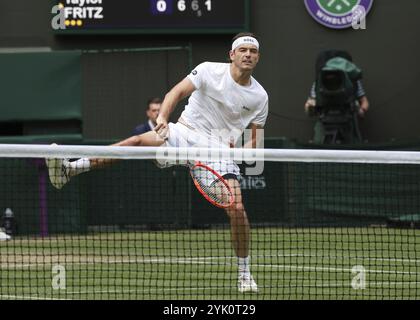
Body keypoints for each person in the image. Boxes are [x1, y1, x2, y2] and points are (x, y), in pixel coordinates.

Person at [46, 32, 268, 293]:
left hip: (219, 152)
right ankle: (69, 169)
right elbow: (176, 92)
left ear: (258, 57)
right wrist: (163, 117)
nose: (248, 55)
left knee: (237, 209)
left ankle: (244, 275)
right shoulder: (208, 70)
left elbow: (256, 141)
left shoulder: (259, 97)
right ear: (232, 54)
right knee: (137, 142)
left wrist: (240, 152)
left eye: (252, 52)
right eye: (243, 50)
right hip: (185, 133)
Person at [304, 49, 369, 144]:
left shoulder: (353, 81)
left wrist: (361, 110)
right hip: (325, 120)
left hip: (348, 120)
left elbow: (364, 101)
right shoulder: (320, 82)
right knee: (319, 144)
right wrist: (310, 107)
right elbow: (309, 104)